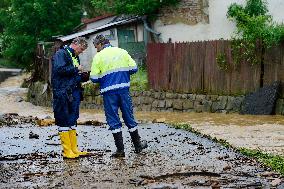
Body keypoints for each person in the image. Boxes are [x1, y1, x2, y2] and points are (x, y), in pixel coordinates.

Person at [90, 34, 147, 158]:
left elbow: (94, 78)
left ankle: (120, 150)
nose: (96, 49)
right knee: (129, 117)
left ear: (100, 44)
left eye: (96, 46)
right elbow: (134, 68)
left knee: (113, 120)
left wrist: (105, 78)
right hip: (123, 90)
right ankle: (138, 146)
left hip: (109, 93)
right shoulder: (122, 51)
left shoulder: (98, 57)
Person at [51, 37, 90, 159]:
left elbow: (72, 75)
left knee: (73, 120)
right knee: (63, 119)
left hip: (74, 91)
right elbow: (59, 69)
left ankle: (74, 149)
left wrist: (83, 76)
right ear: (75, 44)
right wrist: (76, 69)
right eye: (81, 48)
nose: (82, 51)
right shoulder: (61, 53)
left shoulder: (74, 56)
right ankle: (67, 151)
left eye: (83, 50)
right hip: (62, 92)